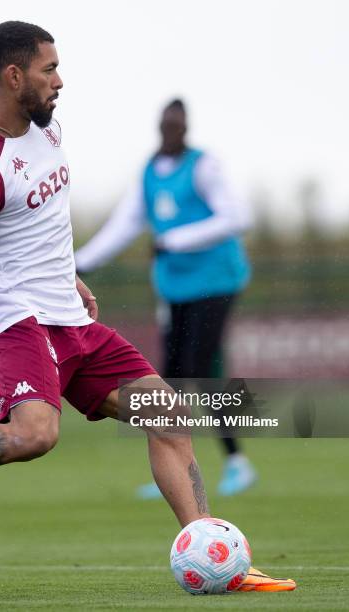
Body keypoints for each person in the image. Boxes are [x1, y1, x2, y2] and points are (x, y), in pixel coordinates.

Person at [0, 22, 294, 592]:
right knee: (36, 434)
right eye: (48, 69)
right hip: (18, 323)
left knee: (170, 416)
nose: (60, 81)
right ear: (14, 77)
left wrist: (71, 276)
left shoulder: (49, 129)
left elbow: (42, 222)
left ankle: (218, 561)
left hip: (72, 317)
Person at [75, 100, 257, 497]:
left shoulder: (204, 166)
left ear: (186, 127)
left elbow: (237, 217)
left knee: (200, 367)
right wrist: (79, 263)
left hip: (216, 282)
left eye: (177, 124)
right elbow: (124, 225)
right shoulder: (150, 173)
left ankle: (236, 462)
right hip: (175, 288)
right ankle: (172, 468)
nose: (171, 131)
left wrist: (175, 239)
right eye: (165, 124)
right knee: (170, 372)